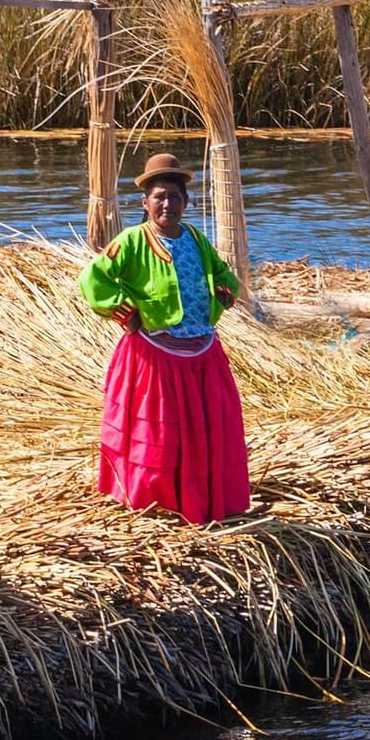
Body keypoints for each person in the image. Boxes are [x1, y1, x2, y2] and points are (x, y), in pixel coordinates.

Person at [77, 153, 248, 524]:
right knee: (157, 433)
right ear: (145, 202)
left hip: (201, 349)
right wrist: (126, 312)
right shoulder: (133, 242)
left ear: (185, 202)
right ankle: (155, 498)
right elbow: (93, 278)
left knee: (205, 430)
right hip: (155, 354)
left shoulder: (196, 239)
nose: (167, 204)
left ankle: (200, 496)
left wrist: (223, 292)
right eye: (159, 196)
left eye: (174, 196)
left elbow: (222, 273)